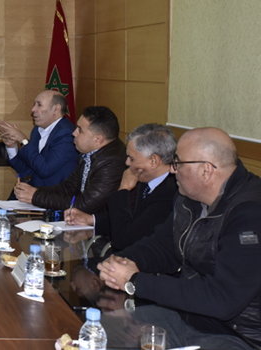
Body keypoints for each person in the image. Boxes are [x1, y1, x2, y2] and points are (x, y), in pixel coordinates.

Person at [98, 127, 261, 347]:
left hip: (239, 336)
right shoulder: (189, 199)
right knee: (105, 328)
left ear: (205, 170)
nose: (173, 170)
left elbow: (223, 298)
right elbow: (163, 246)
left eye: (178, 163)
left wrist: (135, 281)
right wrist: (120, 262)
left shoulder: (250, 213)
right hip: (191, 317)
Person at [64, 123, 178, 254]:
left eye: (132, 158)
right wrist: (91, 220)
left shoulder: (169, 195)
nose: (127, 163)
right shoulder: (144, 179)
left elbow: (123, 239)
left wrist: (123, 190)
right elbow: (126, 219)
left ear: (153, 161)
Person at [14, 105, 125, 213]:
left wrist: (36, 196)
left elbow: (84, 205)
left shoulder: (112, 164)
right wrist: (34, 191)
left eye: (80, 130)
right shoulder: (89, 154)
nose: (73, 133)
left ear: (97, 139)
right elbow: (67, 188)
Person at [0, 90, 79, 187]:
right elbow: (27, 170)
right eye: (34, 104)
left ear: (56, 109)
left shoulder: (66, 134)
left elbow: (45, 170)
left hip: (52, 194)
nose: (33, 109)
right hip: (32, 191)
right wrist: (11, 147)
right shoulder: (37, 130)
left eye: (39, 105)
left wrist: (23, 139)